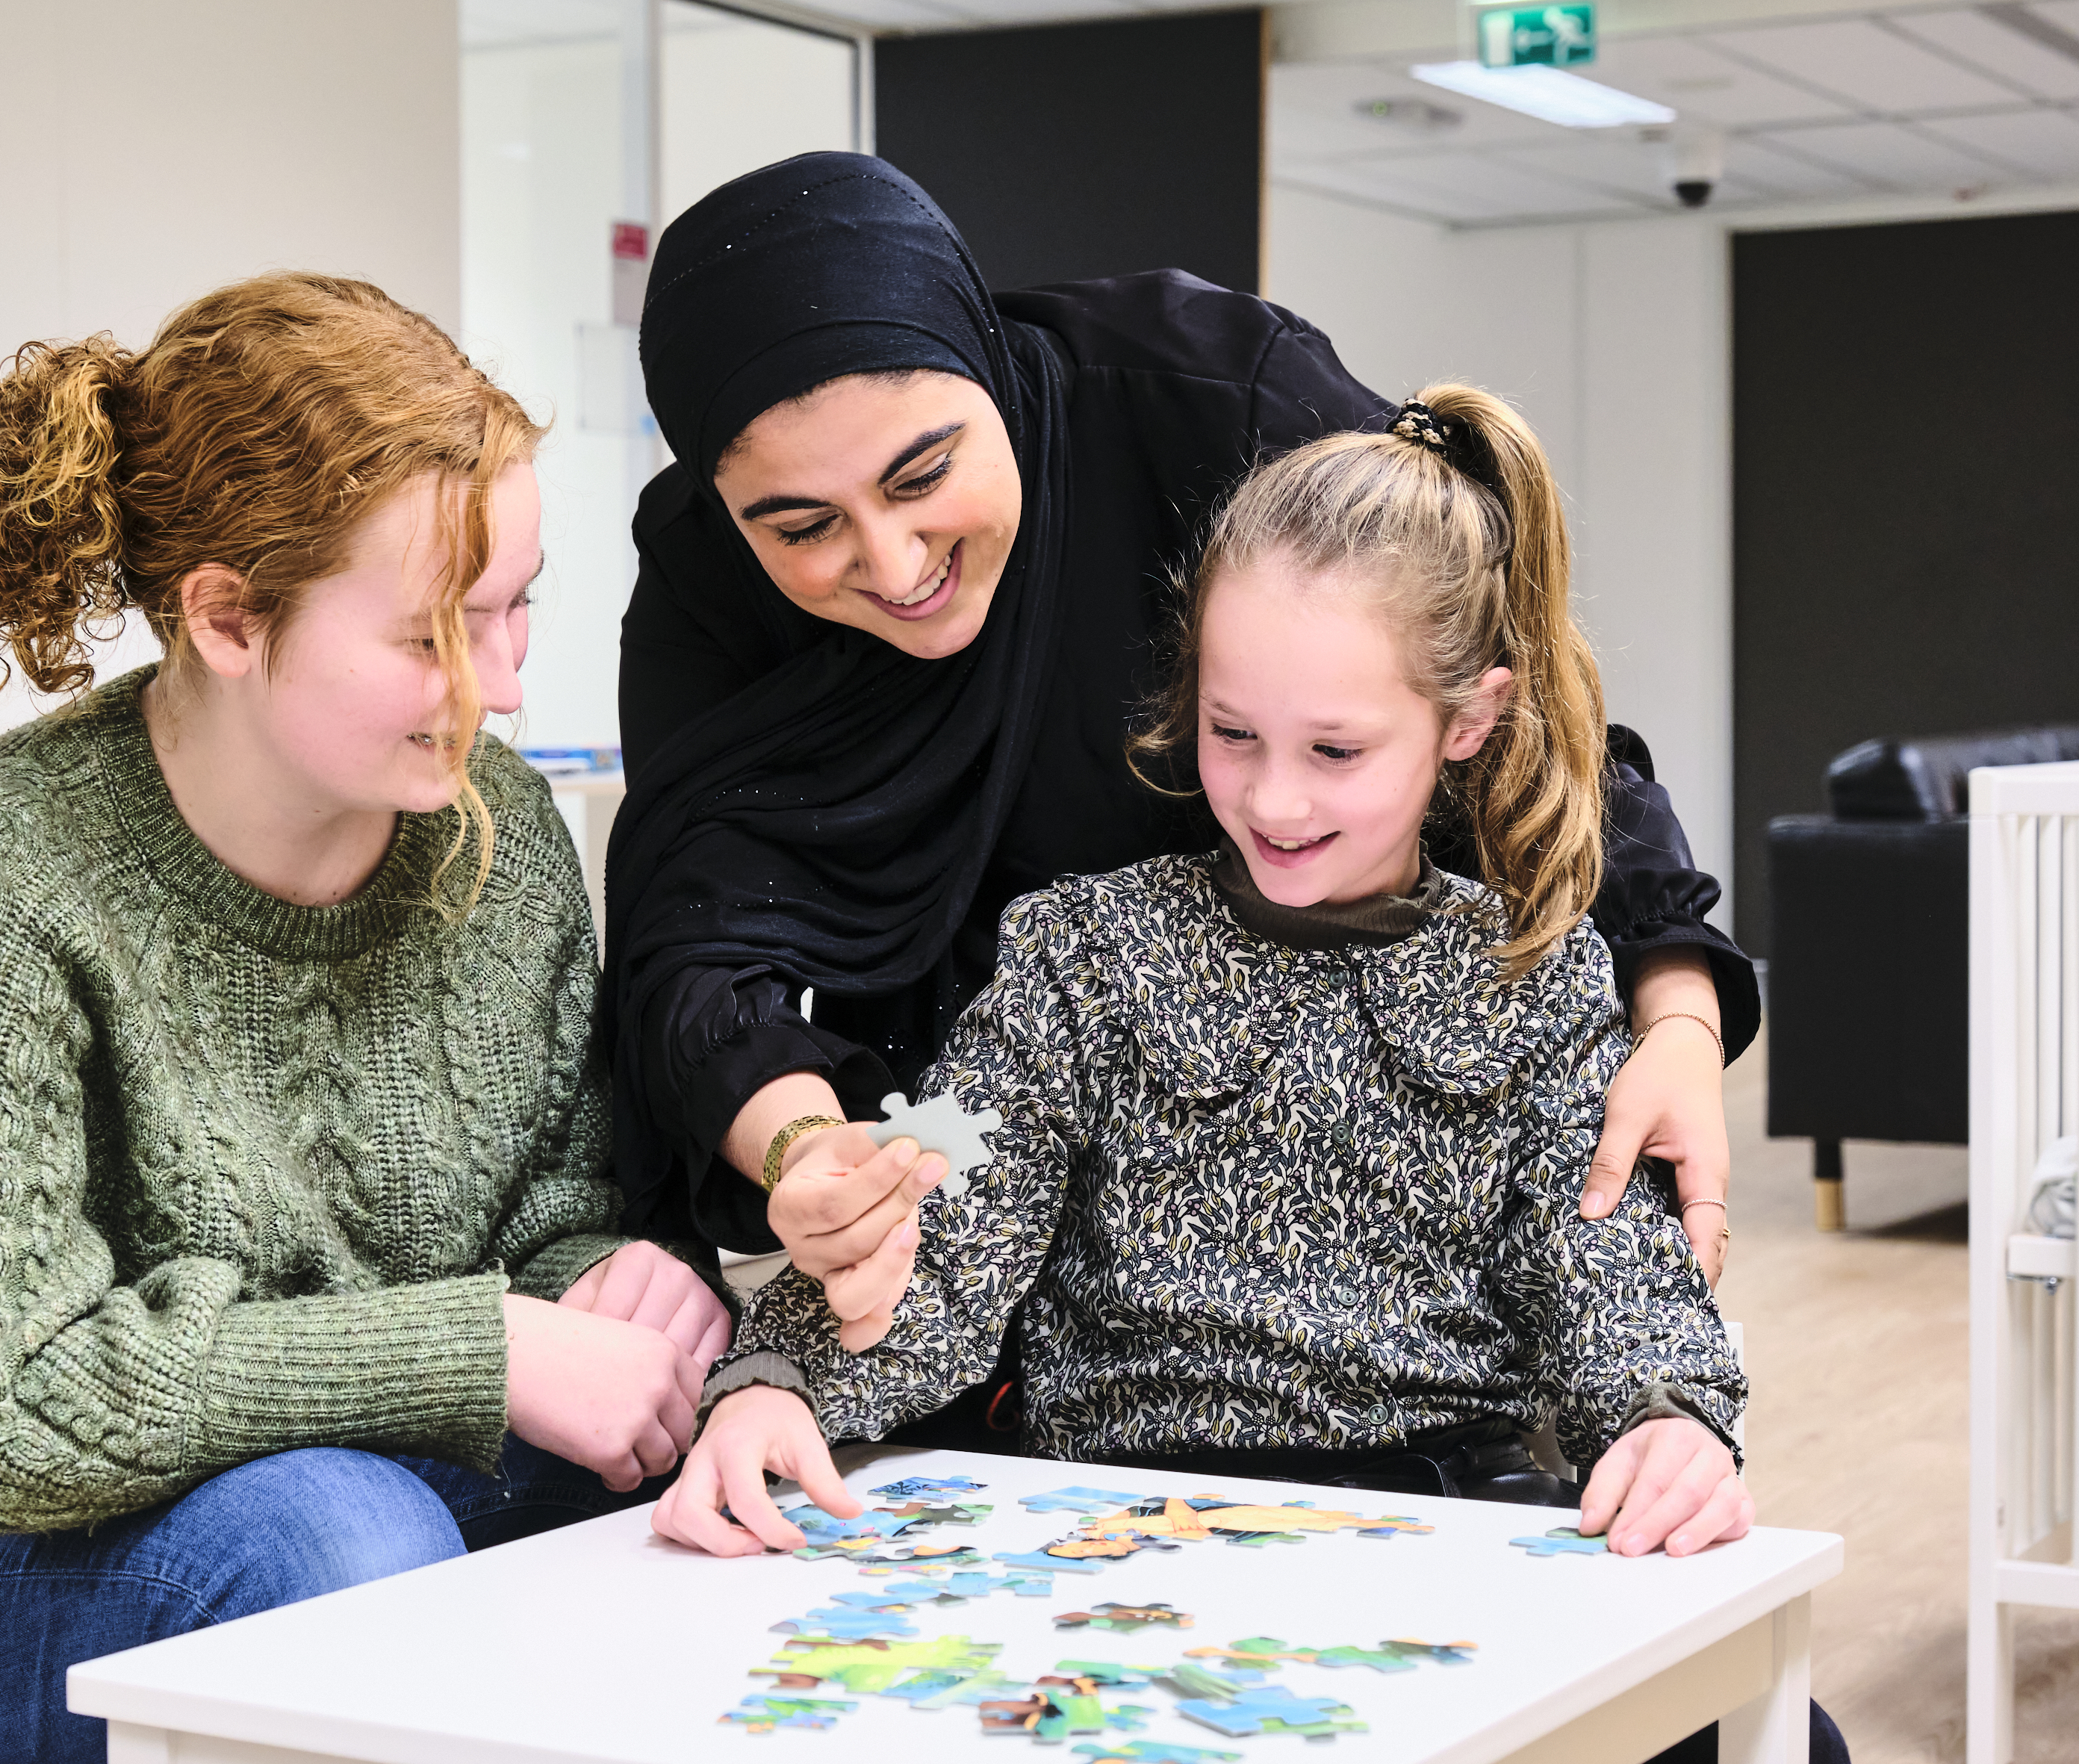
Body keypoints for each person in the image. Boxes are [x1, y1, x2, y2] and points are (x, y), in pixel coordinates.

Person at [653, 387, 1848, 1764]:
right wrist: (776, 1380)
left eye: (1336, 751)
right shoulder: (1077, 954)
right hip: (1114, 1545)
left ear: (1469, 722)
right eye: (1234, 735)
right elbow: (938, 1228)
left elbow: (1608, 1273)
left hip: (1444, 1527)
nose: (1275, 799)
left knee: (1777, 1736)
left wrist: (1668, 1416)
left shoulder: (1542, 974)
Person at [0, 273, 728, 1764]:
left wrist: (615, 1292)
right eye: (434, 637)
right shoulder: (3, 856)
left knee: (695, 1487)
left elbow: (552, 1219)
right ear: (225, 616)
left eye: (515, 606)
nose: (505, 686)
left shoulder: (503, 833)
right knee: (336, 1544)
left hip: (369, 1476)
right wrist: (487, 1353)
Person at [606, 155, 1746, 1366]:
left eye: (924, 474)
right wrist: (803, 1153)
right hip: (973, 1149)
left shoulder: (1210, 402)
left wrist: (1676, 1016)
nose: (893, 567)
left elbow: (1533, 730)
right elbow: (698, 939)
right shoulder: (707, 594)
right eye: (803, 527)